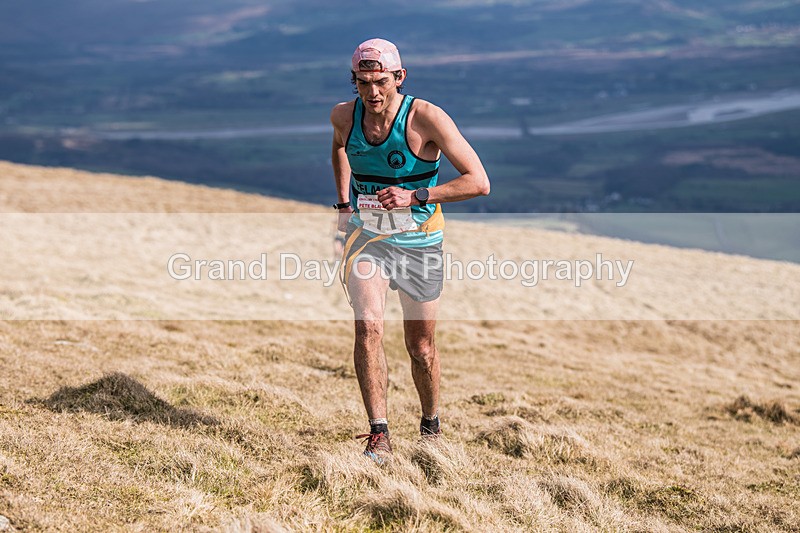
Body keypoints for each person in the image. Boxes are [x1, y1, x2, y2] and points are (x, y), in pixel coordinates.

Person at [330, 38, 490, 463]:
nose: (372, 93)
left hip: (420, 243)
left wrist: (416, 196)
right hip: (368, 239)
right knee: (368, 329)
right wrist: (345, 205)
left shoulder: (427, 117)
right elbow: (340, 148)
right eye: (362, 83)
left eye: (380, 81)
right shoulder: (344, 116)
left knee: (420, 347)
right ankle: (379, 435)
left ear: (400, 77)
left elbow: (478, 181)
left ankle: (430, 425)